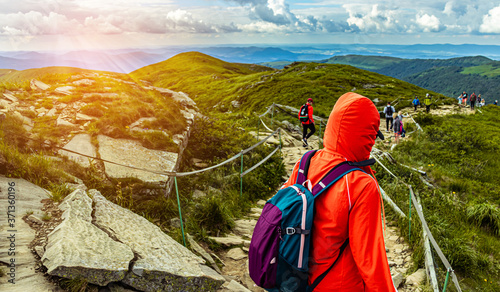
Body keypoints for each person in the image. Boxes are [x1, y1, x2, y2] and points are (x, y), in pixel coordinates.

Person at [283, 92, 396, 291]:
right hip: (340, 284)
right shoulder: (361, 184)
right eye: (372, 135)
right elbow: (370, 259)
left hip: (297, 279)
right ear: (364, 136)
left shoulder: (305, 162)